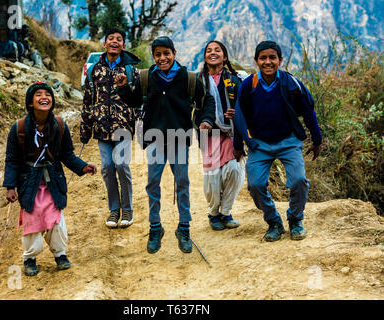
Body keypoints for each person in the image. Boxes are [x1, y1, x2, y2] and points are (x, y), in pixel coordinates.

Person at [116, 36, 216, 254]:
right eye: (158, 54)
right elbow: (134, 101)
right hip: (154, 140)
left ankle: (184, 228)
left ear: (174, 53)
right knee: (153, 184)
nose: (162, 58)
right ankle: (155, 227)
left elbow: (206, 100)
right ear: (154, 56)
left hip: (179, 139)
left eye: (166, 53)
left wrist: (205, 120)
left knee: (182, 183)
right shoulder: (146, 77)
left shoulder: (188, 78)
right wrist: (123, 88)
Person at [3, 81, 97, 276]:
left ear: (52, 101)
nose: (44, 97)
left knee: (55, 220)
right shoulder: (19, 128)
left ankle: (60, 254)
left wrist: (83, 166)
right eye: (38, 94)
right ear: (30, 102)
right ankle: (30, 257)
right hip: (30, 183)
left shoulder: (59, 125)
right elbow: (12, 159)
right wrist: (10, 187)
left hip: (53, 181)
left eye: (47, 94)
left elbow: (67, 155)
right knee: (32, 222)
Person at [233, 40, 323, 242]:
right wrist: (238, 145)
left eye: (272, 57)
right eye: (263, 58)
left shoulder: (291, 83)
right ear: (256, 61)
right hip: (260, 144)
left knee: (299, 180)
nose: (268, 62)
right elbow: (240, 117)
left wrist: (317, 139)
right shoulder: (249, 85)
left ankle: (295, 220)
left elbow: (309, 112)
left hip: (288, 141)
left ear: (280, 60)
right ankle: (274, 222)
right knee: (255, 185)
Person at [80, 28, 141, 229]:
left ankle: (128, 209)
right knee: (107, 168)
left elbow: (138, 100)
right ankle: (114, 210)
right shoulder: (94, 70)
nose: (115, 41)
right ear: (104, 44)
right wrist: (85, 128)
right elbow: (88, 101)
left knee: (122, 165)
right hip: (101, 128)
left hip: (123, 127)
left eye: (119, 39)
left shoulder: (131, 70)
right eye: (111, 39)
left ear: (124, 46)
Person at [198, 40, 246, 231]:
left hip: (232, 134)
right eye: (209, 50)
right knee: (213, 176)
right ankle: (213, 213)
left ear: (225, 57)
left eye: (217, 50)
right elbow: (192, 108)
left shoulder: (235, 80)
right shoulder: (198, 81)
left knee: (234, 170)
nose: (213, 52)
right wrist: (202, 121)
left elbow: (246, 106)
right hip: (209, 136)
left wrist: (238, 113)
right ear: (205, 57)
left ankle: (226, 212)